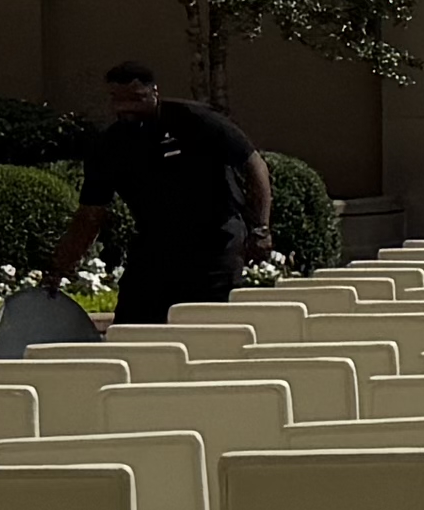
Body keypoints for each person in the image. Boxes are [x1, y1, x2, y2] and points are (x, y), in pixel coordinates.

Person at [52, 54, 269, 324]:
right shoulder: (110, 146)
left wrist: (259, 228)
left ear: (154, 92)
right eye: (117, 99)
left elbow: (254, 165)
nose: (126, 107)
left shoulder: (195, 120)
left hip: (214, 240)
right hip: (156, 243)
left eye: (135, 98)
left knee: (204, 323)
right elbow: (90, 213)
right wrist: (62, 265)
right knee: (132, 324)